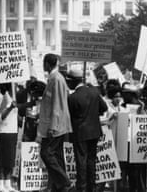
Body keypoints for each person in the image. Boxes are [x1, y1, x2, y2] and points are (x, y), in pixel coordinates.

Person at [36, 53, 73, 192]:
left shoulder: (56, 79)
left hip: (55, 125)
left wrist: (53, 126)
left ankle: (64, 182)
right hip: (56, 124)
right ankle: (58, 187)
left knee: (46, 153)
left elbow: (57, 103)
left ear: (47, 64)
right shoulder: (55, 78)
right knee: (57, 156)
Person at [66, 69, 107, 192]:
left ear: (73, 81)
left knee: (81, 161)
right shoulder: (94, 92)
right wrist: (94, 113)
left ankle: (82, 188)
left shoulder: (72, 97)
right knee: (91, 160)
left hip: (80, 133)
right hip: (94, 132)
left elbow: (69, 115)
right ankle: (91, 187)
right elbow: (104, 108)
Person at [0, 83, 18, 192]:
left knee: (9, 160)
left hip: (12, 131)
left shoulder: (12, 98)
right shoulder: (4, 98)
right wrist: (10, 108)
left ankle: (7, 183)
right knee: (2, 160)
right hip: (4, 132)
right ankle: (0, 184)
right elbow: (1, 117)